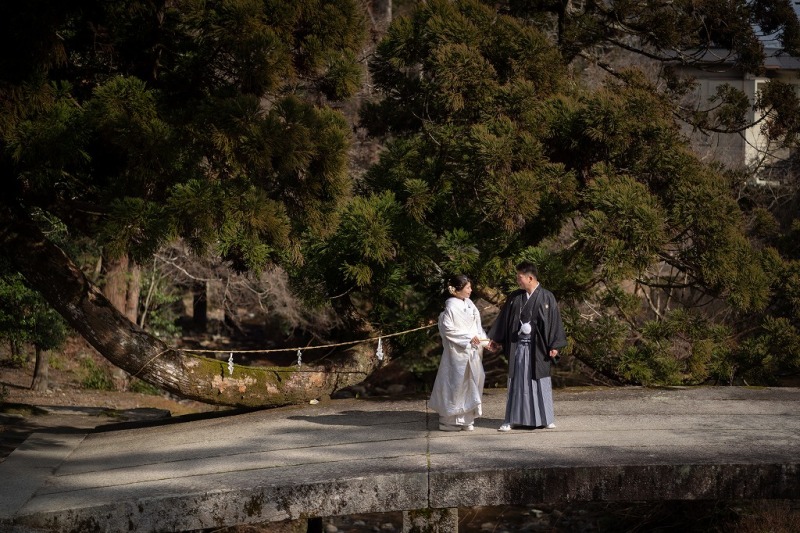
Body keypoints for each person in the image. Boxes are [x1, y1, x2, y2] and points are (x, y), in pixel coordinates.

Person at [488, 261, 567, 432]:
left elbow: (554, 322)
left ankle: (546, 418)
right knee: (517, 382)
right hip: (518, 346)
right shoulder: (515, 297)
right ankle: (511, 419)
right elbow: (504, 320)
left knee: (540, 381)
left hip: (538, 347)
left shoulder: (547, 297)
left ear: (530, 278)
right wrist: (495, 339)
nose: (518, 281)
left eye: (520, 277)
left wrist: (555, 345)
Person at [428, 274, 487, 431]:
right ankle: (449, 421)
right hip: (457, 353)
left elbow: (478, 327)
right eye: (467, 287)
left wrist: (485, 342)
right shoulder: (450, 307)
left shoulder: (470, 304)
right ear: (457, 290)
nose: (470, 290)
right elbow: (448, 329)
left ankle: (467, 419)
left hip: (473, 351)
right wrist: (468, 337)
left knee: (473, 381)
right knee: (455, 384)